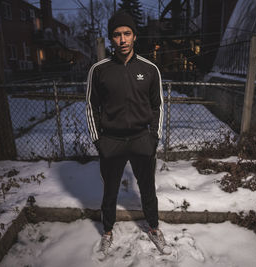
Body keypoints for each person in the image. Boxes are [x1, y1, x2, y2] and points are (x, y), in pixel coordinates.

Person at [85, 11, 170, 255]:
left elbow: (158, 106)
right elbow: (91, 105)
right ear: (111, 38)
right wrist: (99, 141)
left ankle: (154, 228)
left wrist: (153, 137)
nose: (122, 39)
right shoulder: (99, 70)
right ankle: (107, 232)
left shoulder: (150, 69)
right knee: (110, 190)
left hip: (142, 139)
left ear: (135, 36)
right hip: (111, 140)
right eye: (116, 35)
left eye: (127, 34)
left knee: (147, 188)